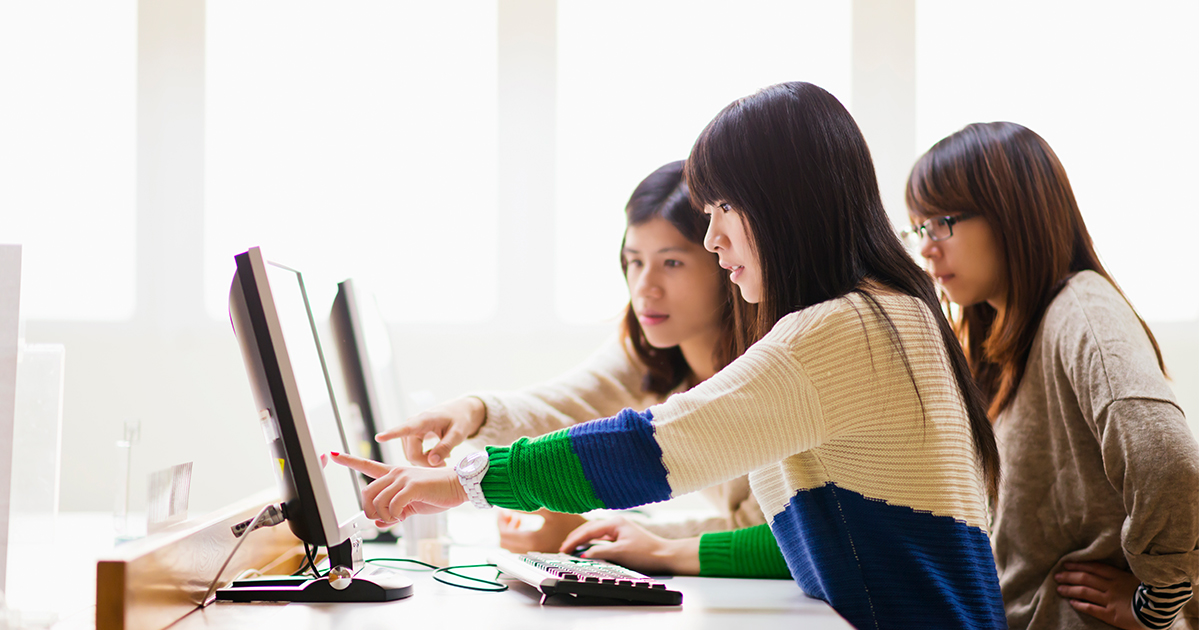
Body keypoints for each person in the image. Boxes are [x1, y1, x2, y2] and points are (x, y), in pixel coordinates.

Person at [333, 81, 1008, 629]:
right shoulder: (878, 312)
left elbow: (653, 447)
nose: (713, 239)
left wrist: (463, 483)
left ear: (785, 206)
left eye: (723, 209)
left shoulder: (848, 328)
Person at [378, 160, 767, 554]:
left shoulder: (771, 368)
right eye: (635, 261)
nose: (644, 287)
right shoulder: (651, 352)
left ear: (726, 261)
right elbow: (565, 405)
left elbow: (770, 533)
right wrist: (473, 411)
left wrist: (596, 534)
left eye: (672, 263)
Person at [904, 121, 1198, 630]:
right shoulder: (1009, 333)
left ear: (1010, 214)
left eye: (942, 222)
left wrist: (1155, 603)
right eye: (920, 227)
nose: (927, 247)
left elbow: (1169, 460)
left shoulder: (1083, 313)